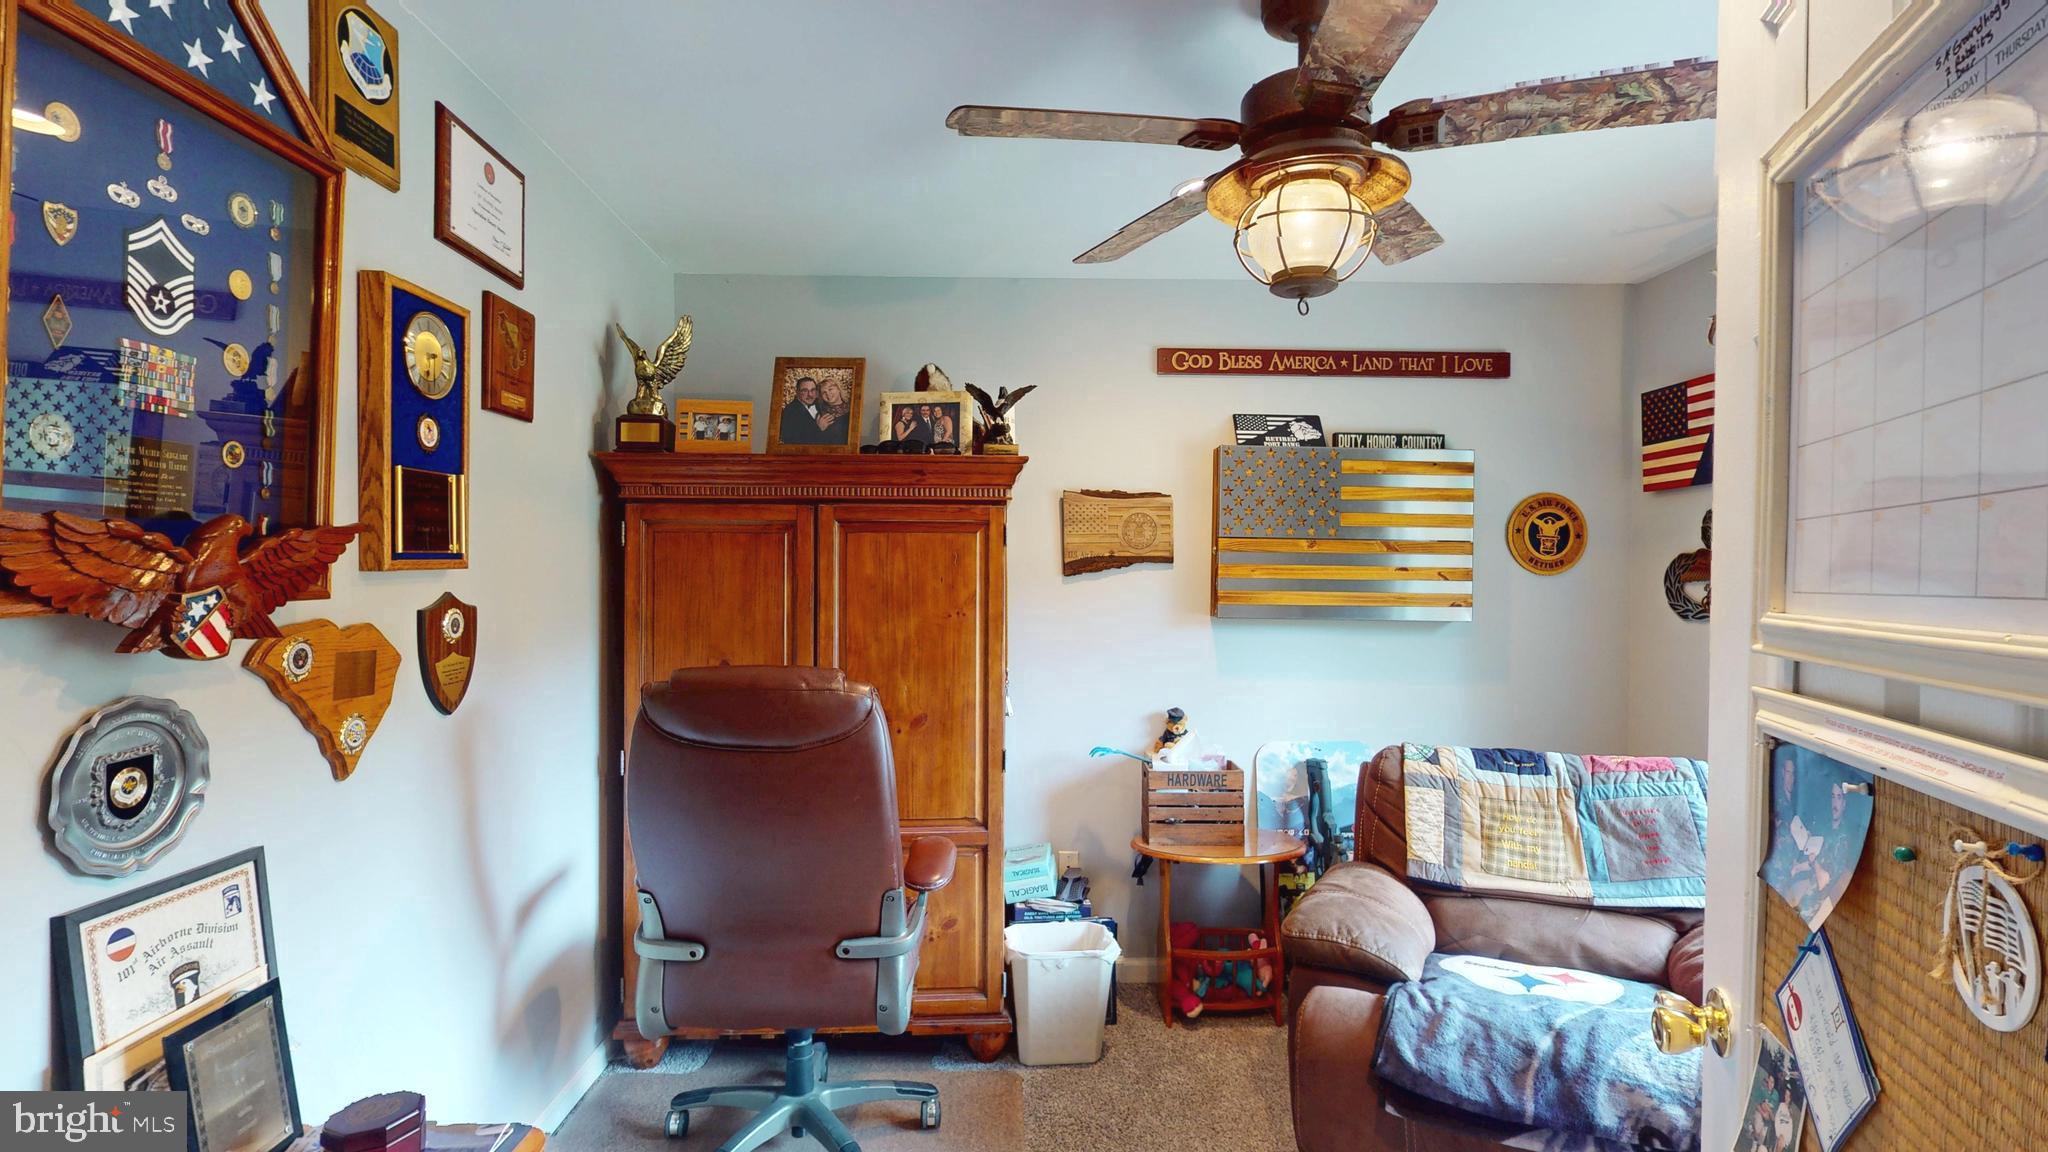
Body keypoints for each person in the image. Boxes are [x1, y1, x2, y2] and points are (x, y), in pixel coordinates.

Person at [778, 376, 838, 445]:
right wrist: (818, 429)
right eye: (805, 390)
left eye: (813, 390)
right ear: (797, 392)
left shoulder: (820, 404)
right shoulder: (790, 411)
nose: (810, 394)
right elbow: (790, 441)